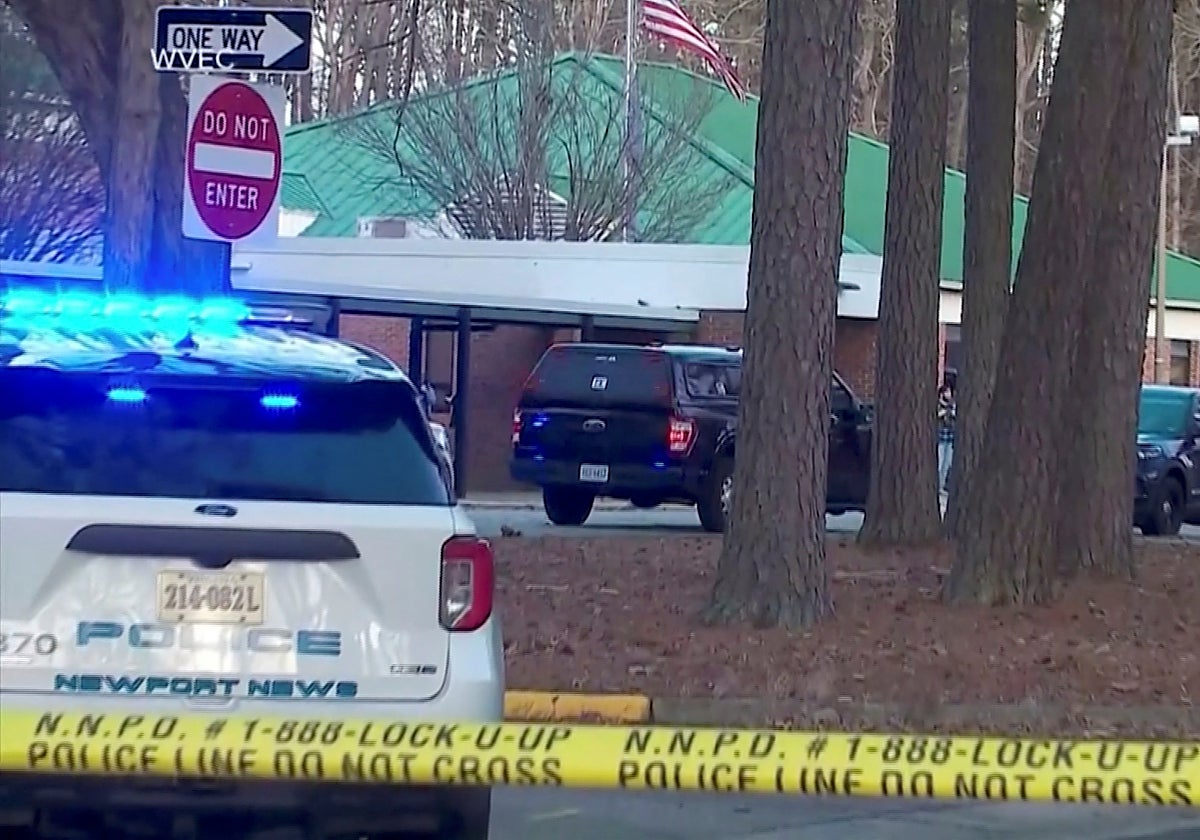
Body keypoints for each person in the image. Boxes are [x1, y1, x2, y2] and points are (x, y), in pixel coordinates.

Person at [936, 383, 956, 495]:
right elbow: (938, 416)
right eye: (946, 392)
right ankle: (937, 486)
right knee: (939, 463)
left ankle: (941, 487)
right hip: (940, 438)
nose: (948, 394)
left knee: (947, 464)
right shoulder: (938, 405)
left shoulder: (952, 405)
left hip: (949, 438)